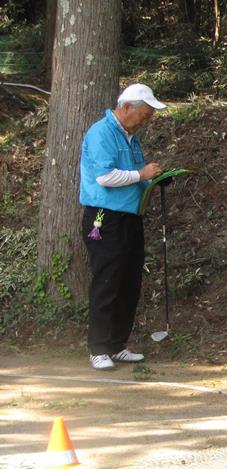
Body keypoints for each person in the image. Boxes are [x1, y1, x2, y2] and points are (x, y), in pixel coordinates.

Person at [79, 83, 166, 370]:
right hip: (104, 219)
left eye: (148, 117)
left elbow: (134, 176)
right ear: (127, 107)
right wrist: (141, 173)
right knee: (107, 281)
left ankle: (117, 344)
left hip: (131, 217)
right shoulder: (101, 133)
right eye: (143, 115)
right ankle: (98, 347)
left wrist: (151, 179)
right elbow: (105, 177)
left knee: (129, 281)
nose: (145, 121)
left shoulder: (131, 137)